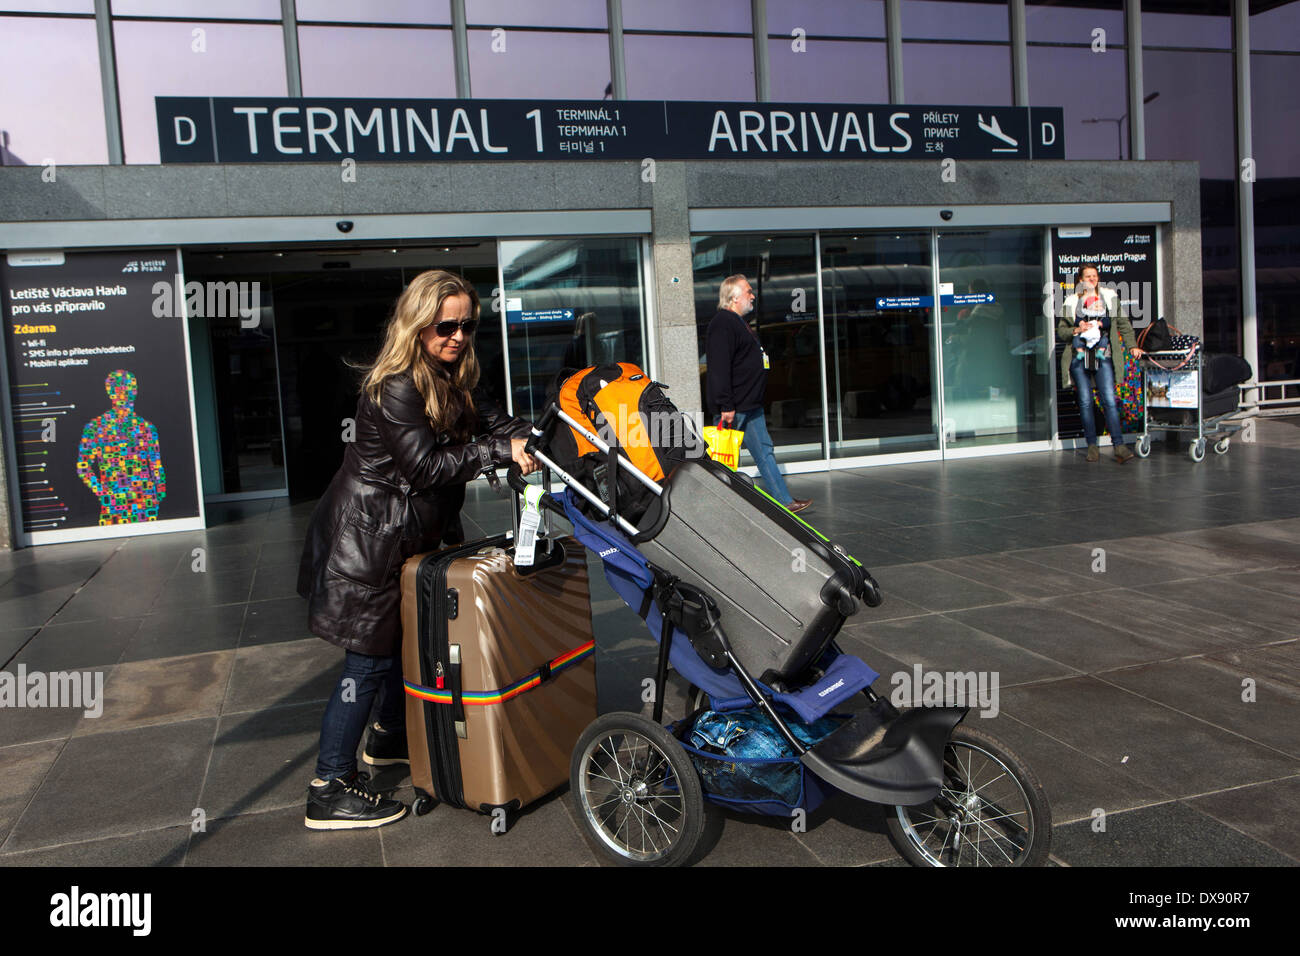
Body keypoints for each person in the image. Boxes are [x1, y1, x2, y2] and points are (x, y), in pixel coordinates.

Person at [296, 270, 538, 829]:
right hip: (371, 542)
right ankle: (328, 788)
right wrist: (501, 451)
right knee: (368, 659)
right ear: (417, 324)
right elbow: (426, 467)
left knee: (398, 646)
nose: (457, 336)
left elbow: (493, 423)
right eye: (445, 326)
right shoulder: (399, 384)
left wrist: (541, 437)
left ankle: (386, 741)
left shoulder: (452, 374)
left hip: (401, 537)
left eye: (467, 325)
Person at [706, 274, 812, 514]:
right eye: (748, 291)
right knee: (724, 457)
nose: (753, 295)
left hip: (750, 404)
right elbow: (719, 367)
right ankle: (718, 507)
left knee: (764, 450)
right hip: (734, 406)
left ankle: (783, 500)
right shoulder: (723, 323)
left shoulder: (739, 322)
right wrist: (726, 405)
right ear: (733, 297)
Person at [1057, 264, 1144, 463]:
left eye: (1094, 276)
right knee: (1086, 402)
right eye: (1087, 276)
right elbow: (1061, 331)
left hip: (1103, 355)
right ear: (1080, 280)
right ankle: (1092, 447)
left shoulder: (1109, 297)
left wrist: (1132, 346)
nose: (1092, 279)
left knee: (1109, 400)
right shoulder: (1071, 302)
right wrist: (1076, 330)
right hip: (1080, 357)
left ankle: (1119, 446)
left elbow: (1123, 323)